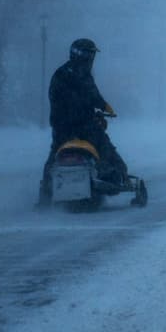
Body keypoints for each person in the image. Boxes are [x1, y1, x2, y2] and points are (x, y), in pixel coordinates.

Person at [36, 38, 129, 207]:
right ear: (86, 56)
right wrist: (104, 107)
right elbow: (91, 96)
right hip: (85, 127)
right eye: (91, 55)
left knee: (54, 155)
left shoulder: (60, 73)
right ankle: (112, 176)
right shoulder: (83, 75)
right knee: (105, 149)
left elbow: (64, 101)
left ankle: (45, 192)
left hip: (61, 129)